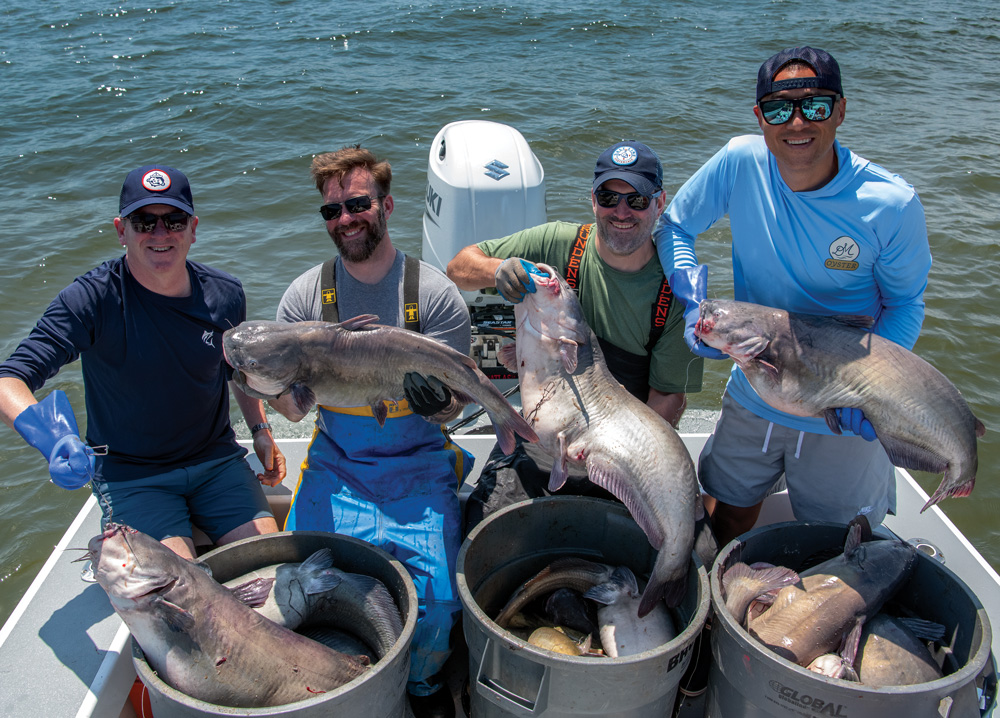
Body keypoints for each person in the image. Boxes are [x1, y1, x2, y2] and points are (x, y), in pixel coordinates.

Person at [656, 46, 932, 546]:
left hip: (840, 408)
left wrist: (869, 390)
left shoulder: (890, 204)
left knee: (839, 540)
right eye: (780, 108)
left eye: (816, 105)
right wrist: (691, 296)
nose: (798, 122)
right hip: (755, 386)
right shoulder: (739, 162)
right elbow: (675, 225)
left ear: (840, 111)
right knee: (728, 510)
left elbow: (906, 304)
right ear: (760, 117)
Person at [270, 145, 471, 718]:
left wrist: (440, 405)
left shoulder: (434, 294)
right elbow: (292, 410)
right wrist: (276, 390)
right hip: (336, 462)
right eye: (332, 211)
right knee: (300, 590)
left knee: (438, 606)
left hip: (420, 464)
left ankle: (421, 687)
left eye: (358, 204)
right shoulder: (304, 298)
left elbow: (454, 409)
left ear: (386, 204)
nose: (346, 219)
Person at [0, 164, 285, 561]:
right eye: (144, 222)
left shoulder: (225, 294)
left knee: (269, 563)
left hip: (217, 462)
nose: (160, 233)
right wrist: (52, 440)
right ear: (122, 230)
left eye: (174, 220)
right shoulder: (90, 300)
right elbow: (9, 378)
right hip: (133, 477)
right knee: (177, 586)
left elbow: (237, 370)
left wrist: (259, 429)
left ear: (193, 228)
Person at [447, 140, 704, 530]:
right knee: (483, 523)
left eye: (637, 200)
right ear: (593, 200)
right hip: (541, 443)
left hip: (622, 449)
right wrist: (498, 270)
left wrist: (606, 459)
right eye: (609, 197)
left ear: (660, 202)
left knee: (695, 546)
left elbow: (668, 398)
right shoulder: (559, 245)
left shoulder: (677, 293)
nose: (621, 212)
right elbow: (459, 266)